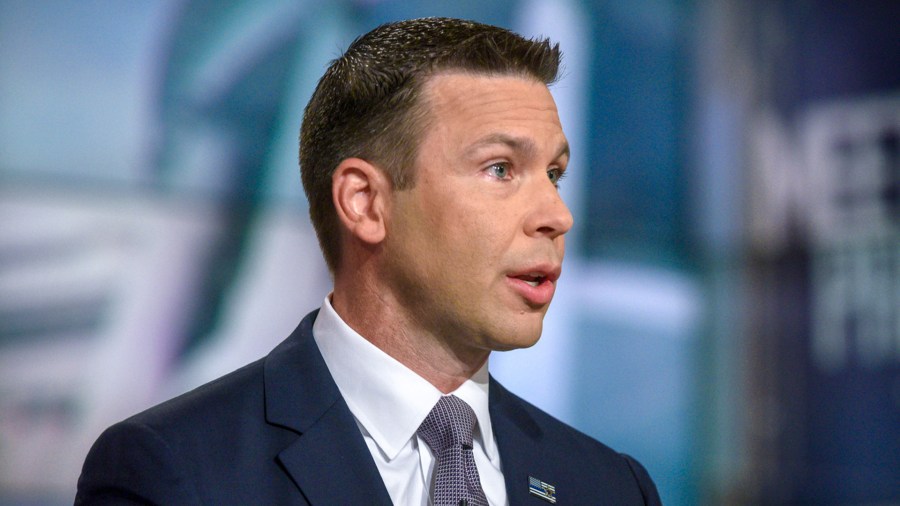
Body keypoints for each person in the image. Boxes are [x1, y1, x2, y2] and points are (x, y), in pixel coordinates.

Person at [76, 17, 661, 505]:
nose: (557, 216)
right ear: (366, 202)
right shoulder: (173, 472)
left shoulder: (610, 487)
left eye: (554, 174)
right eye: (500, 169)